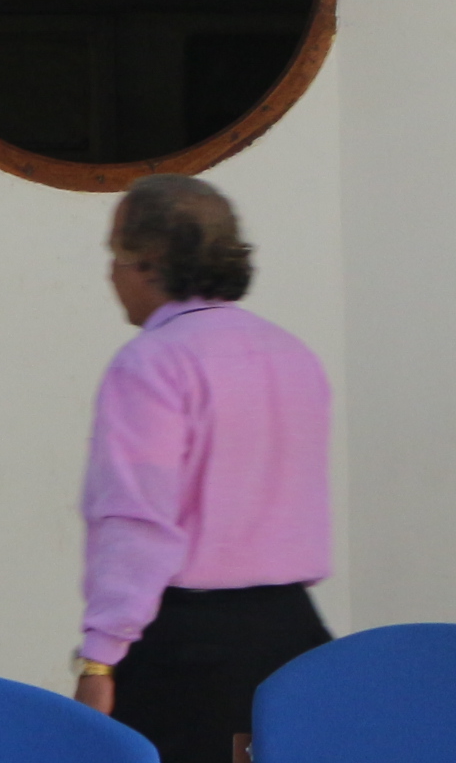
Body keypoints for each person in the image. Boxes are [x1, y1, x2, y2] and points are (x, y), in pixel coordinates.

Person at [71, 174, 329, 763]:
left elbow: (136, 519)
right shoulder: (293, 354)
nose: (110, 274)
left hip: (188, 652)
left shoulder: (152, 364)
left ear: (149, 263)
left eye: (116, 255)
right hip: (292, 635)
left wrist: (99, 660)